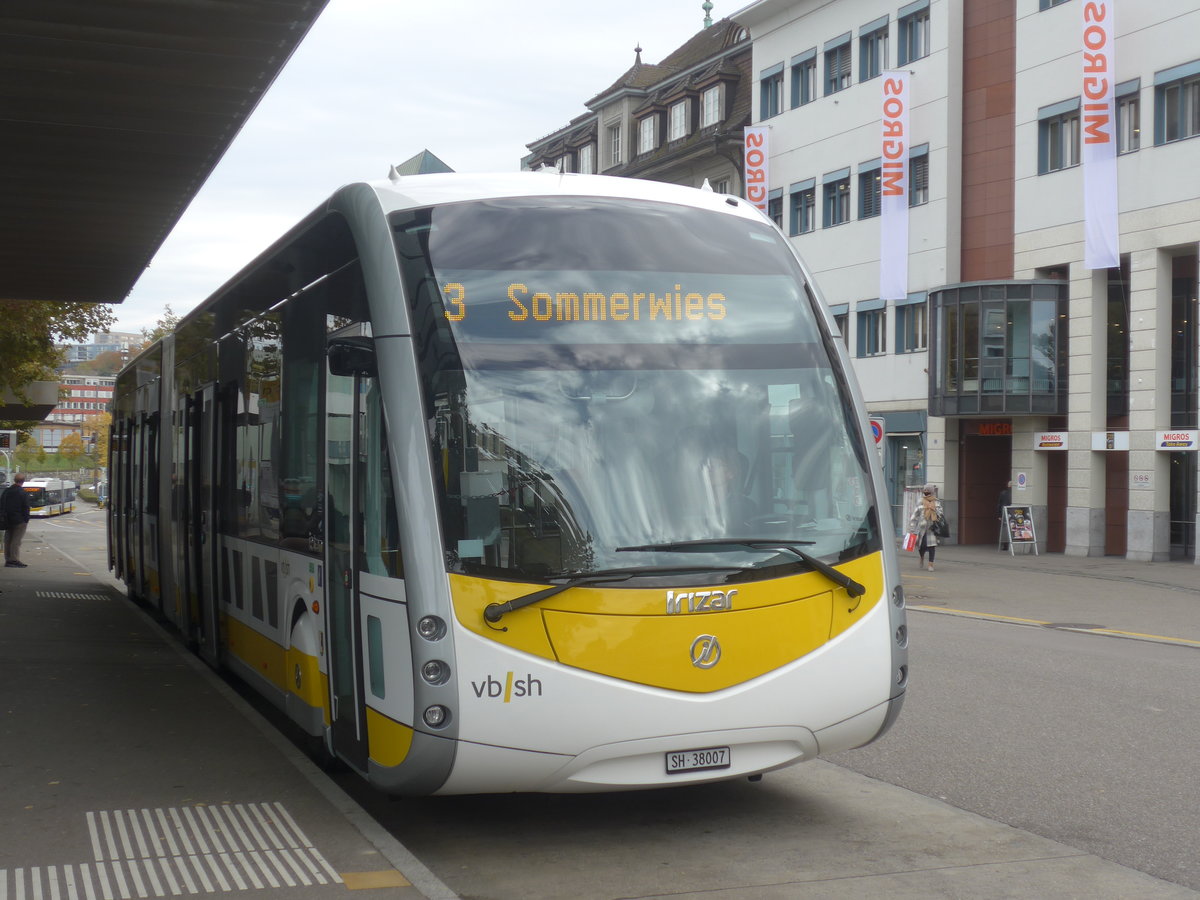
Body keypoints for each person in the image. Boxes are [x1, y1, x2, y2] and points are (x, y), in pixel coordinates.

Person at [907, 482, 944, 572]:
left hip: (932, 528)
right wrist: (912, 527)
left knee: (932, 547)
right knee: (922, 546)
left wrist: (934, 509)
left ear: (932, 492)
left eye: (928, 490)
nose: (926, 492)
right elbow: (915, 515)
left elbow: (941, 514)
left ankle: (930, 564)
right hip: (922, 528)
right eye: (925, 490)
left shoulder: (936, 502)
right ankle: (922, 557)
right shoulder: (920, 501)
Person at [3, 472, 33, 568]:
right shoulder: (22, 493)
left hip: (7, 519)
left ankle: (8, 559)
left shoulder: (7, 491)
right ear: (23, 481)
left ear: (14, 480)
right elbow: (26, 507)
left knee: (8, 539)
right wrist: (26, 519)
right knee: (16, 540)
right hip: (19, 520)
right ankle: (14, 559)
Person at [996, 480, 1012, 550]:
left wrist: (999, 515)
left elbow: (999, 504)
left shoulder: (1003, 493)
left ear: (1008, 485)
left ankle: (1005, 546)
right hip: (1013, 513)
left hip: (1004, 513)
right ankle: (1011, 544)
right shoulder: (1014, 494)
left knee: (1005, 529)